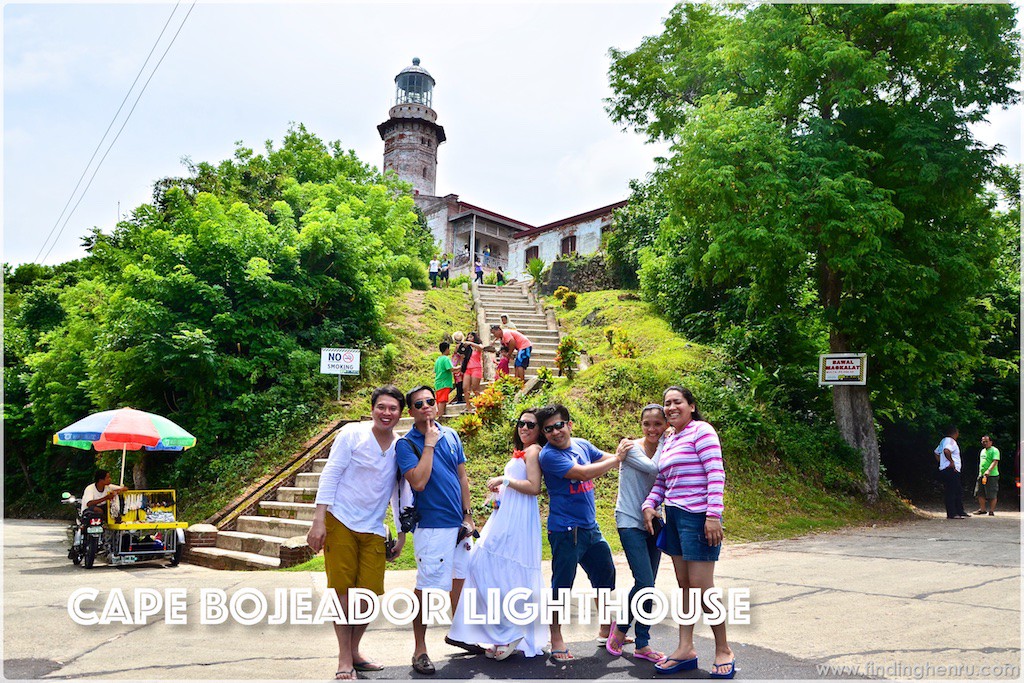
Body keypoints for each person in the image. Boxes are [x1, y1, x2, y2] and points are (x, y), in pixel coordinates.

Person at [306, 386, 409, 681]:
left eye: (393, 409)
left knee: (368, 596)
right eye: (382, 407)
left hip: (374, 527)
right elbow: (331, 473)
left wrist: (401, 533)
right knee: (343, 593)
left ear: (400, 413)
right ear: (373, 408)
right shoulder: (352, 433)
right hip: (340, 520)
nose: (387, 413)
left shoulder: (399, 446)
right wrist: (319, 520)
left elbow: (398, 492)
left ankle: (354, 651)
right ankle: (344, 657)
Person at [641, 386, 734, 678]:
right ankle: (685, 648)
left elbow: (715, 473)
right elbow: (663, 482)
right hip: (676, 518)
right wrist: (649, 503)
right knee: (685, 586)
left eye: (676, 402)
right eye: (667, 403)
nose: (670, 407)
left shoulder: (702, 431)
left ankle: (723, 650)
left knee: (703, 588)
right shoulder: (670, 439)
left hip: (699, 518)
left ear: (691, 406)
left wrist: (713, 516)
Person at [448, 409, 548, 659]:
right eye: (521, 423)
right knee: (484, 567)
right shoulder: (522, 452)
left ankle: (512, 631)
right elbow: (516, 484)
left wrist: (505, 480)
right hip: (505, 514)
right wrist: (499, 495)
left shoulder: (534, 450)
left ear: (539, 429)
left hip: (519, 518)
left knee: (503, 570)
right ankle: (501, 631)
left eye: (530, 424)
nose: (524, 428)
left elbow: (534, 487)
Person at [536, 404, 631, 662]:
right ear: (544, 433)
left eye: (559, 425)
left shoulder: (581, 445)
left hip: (590, 528)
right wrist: (618, 458)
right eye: (548, 429)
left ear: (569, 424)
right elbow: (583, 472)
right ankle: (556, 637)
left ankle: (605, 628)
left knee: (605, 577)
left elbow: (605, 458)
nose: (555, 432)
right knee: (562, 587)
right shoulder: (548, 456)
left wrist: (628, 451)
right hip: (566, 531)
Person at [396, 386, 476, 676]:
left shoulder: (451, 434)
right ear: (411, 411)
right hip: (430, 526)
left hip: (458, 523)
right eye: (419, 404)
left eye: (431, 401)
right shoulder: (407, 444)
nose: (427, 406)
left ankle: (461, 634)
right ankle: (419, 649)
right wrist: (428, 443)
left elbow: (462, 476)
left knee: (460, 580)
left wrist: (468, 516)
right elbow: (417, 482)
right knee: (427, 588)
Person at [606, 404, 670, 663]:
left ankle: (643, 644)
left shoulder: (668, 447)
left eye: (658, 424)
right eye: (648, 424)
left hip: (654, 520)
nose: (653, 429)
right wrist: (667, 440)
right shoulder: (630, 448)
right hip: (630, 520)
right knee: (644, 581)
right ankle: (621, 629)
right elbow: (656, 469)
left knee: (650, 585)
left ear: (666, 424)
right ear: (641, 425)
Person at [935, 425, 968, 519]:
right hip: (951, 470)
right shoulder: (951, 441)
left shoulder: (943, 441)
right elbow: (946, 451)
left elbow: (936, 452)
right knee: (951, 492)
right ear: (955, 433)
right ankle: (952, 513)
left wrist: (941, 463)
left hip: (946, 469)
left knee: (958, 490)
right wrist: (951, 462)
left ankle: (959, 511)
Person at [972, 435, 1000, 516]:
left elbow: (995, 461)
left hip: (992, 476)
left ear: (991, 442)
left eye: (986, 441)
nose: (984, 443)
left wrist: (989, 470)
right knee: (980, 492)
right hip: (981, 475)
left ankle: (991, 511)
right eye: (983, 441)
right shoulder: (982, 451)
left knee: (992, 493)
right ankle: (982, 509)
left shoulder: (995, 450)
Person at [460, 331, 485, 409]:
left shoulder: (478, 346)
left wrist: (471, 344)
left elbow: (481, 348)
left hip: (476, 368)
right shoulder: (467, 348)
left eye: (471, 337)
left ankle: (479, 404)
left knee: (475, 388)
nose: (469, 339)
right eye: (468, 337)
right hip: (468, 369)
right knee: (465, 387)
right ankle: (468, 405)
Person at [434, 342, 454, 417]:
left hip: (438, 383)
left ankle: (441, 415)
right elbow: (451, 369)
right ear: (446, 349)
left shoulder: (438, 360)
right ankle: (440, 417)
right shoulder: (446, 359)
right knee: (442, 401)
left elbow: (435, 371)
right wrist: (460, 367)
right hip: (444, 383)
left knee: (440, 400)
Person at [451, 333, 466, 405]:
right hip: (460, 366)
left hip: (457, 366)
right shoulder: (463, 346)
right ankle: (460, 397)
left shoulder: (457, 348)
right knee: (460, 382)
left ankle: (460, 398)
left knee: (459, 383)